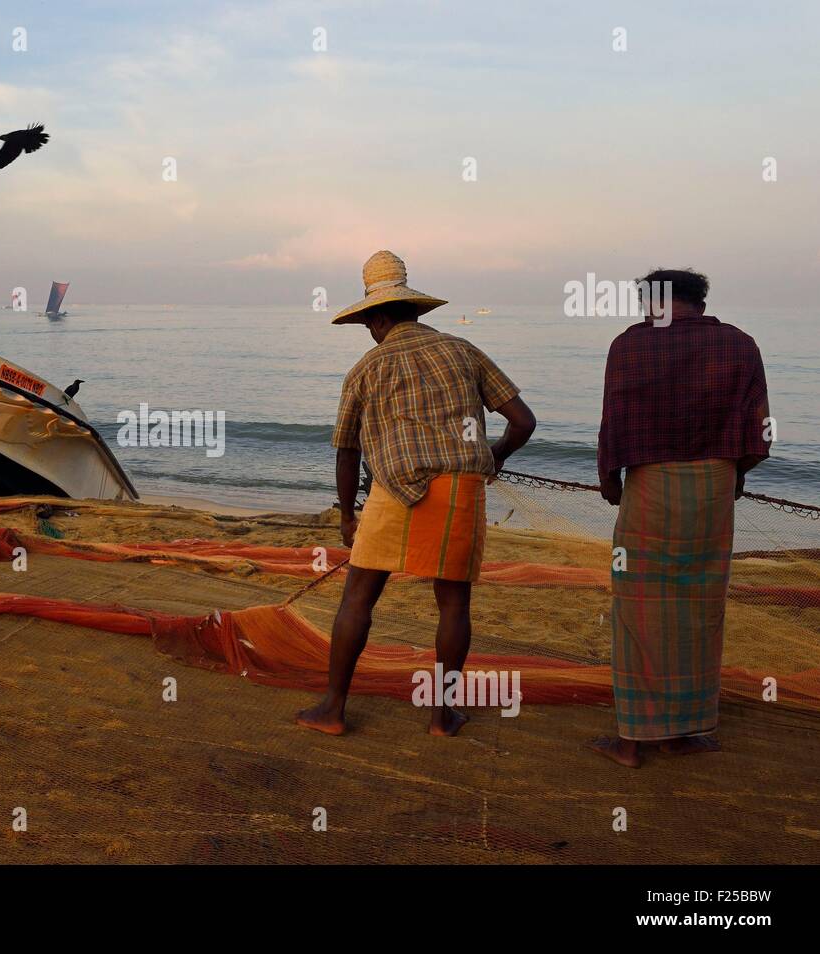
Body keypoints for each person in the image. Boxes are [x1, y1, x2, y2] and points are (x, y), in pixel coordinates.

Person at [297, 250, 536, 737]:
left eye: (369, 322)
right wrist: (495, 456)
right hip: (458, 488)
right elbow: (523, 422)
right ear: (416, 310)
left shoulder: (365, 369)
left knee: (358, 599)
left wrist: (348, 515)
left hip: (392, 489)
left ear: (379, 316)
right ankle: (440, 716)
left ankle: (333, 708)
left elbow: (346, 450)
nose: (370, 331)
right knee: (452, 605)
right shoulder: (463, 350)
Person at [590, 268, 771, 768]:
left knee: (639, 605)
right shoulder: (739, 344)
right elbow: (761, 430)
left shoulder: (630, 346)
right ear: (700, 301)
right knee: (699, 605)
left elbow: (615, 419)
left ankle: (632, 740)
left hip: (650, 485)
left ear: (651, 302)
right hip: (713, 488)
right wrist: (733, 474)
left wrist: (609, 479)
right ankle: (682, 731)